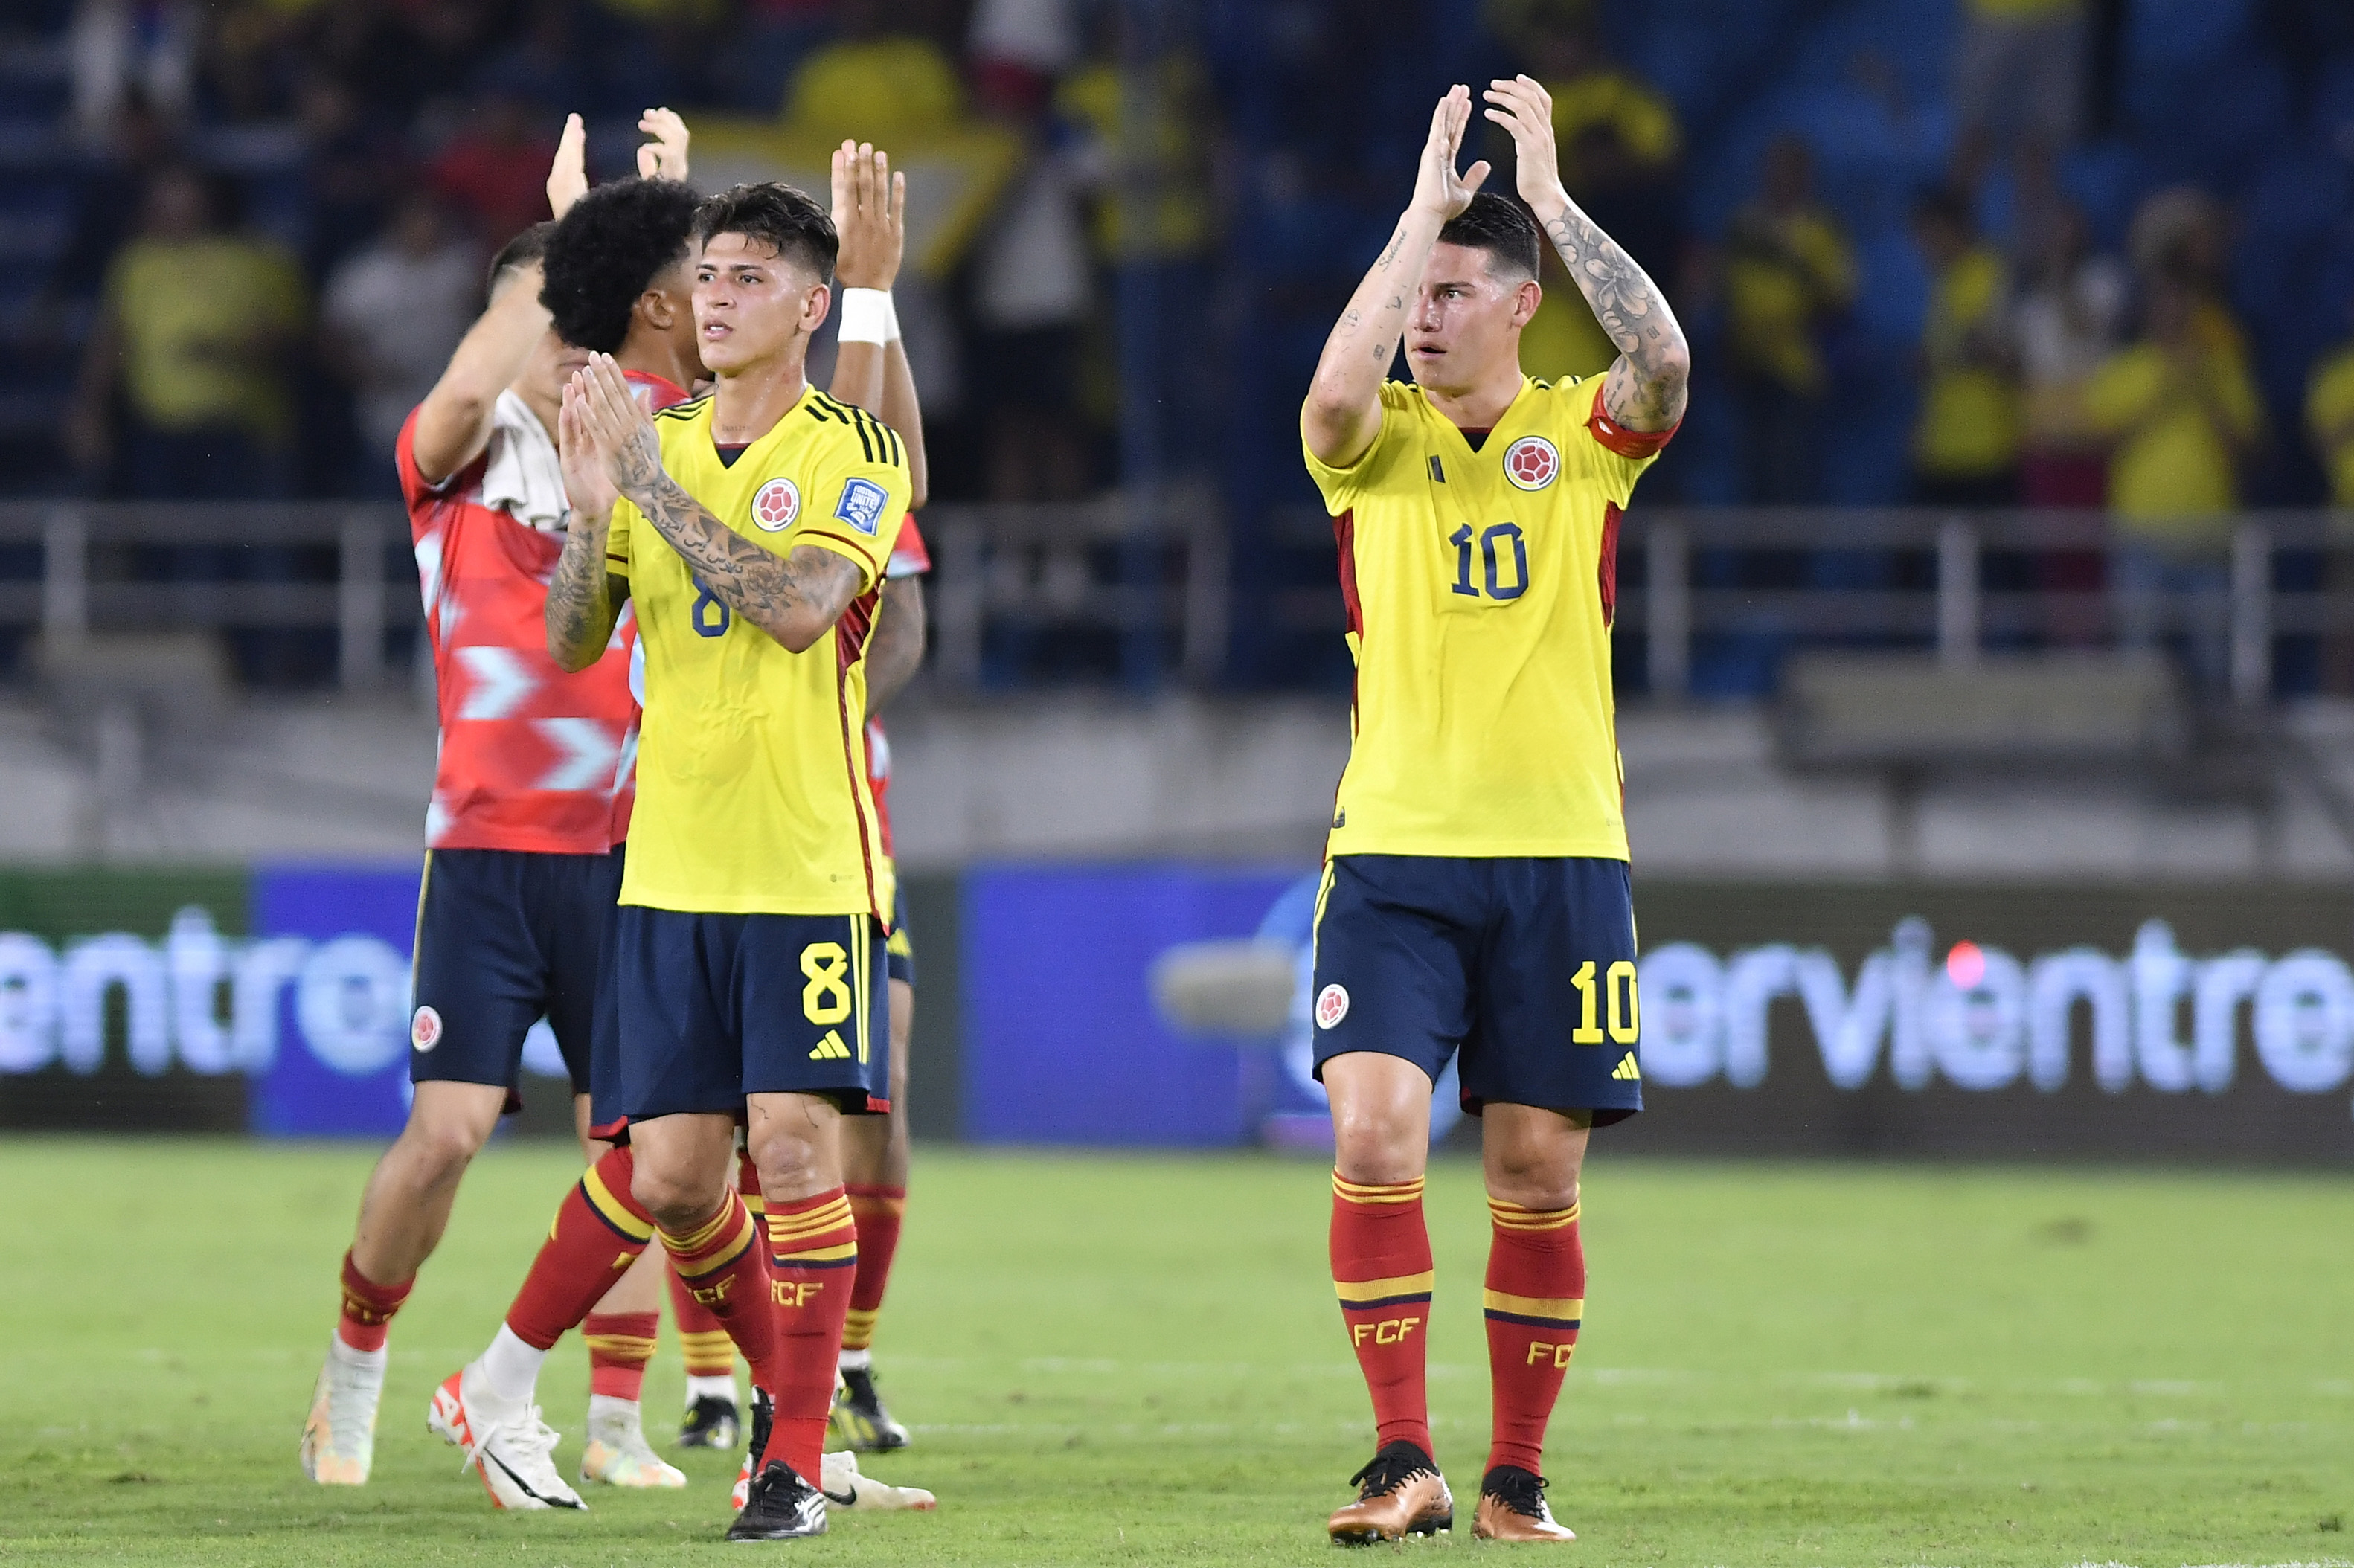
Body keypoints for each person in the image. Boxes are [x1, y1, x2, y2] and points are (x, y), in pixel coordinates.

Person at [1298, 79, 1685, 1545]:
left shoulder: (1581, 435)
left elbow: (1661, 362)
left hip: (1562, 855)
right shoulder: (1370, 441)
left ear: (1522, 306)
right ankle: (1401, 1456)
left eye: (1455, 291)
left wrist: (1556, 198)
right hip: (1392, 852)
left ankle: (1516, 1478)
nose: (1425, 314)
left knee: (1534, 1169)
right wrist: (1412, 223)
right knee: (1377, 1135)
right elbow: (1329, 399)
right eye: (1417, 292)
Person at [297, 113, 690, 1507]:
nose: (580, 350)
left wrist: (650, 226)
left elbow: (710, 352)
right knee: (450, 1131)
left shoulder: (641, 447)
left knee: (642, 1149)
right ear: (517, 324)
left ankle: (614, 1418)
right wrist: (574, 237)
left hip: (624, 854)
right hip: (482, 856)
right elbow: (477, 372)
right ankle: (353, 1369)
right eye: (559, 323)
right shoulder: (449, 461)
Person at [542, 170, 914, 1542]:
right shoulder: (660, 441)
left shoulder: (852, 450)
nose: (713, 297)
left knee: (799, 1148)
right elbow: (575, 637)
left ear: (812, 305)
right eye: (706, 276)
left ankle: (794, 1459)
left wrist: (653, 489)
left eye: (747, 276)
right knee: (681, 1180)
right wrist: (594, 513)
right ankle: (787, 1403)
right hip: (667, 871)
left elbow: (804, 607)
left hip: (804, 864)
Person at [2085, 268, 2263, 693]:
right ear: (2149, 313)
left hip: (2209, 535)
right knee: (2137, 657)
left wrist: (2202, 389)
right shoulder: (2124, 370)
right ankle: (2135, 752)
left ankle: (2224, 751)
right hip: (2141, 535)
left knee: (2216, 658)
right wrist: (2164, 394)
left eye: (2183, 305)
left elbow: (2247, 448)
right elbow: (2103, 447)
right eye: (2164, 304)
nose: (2174, 314)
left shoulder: (2222, 369)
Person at [1720, 137, 1854, 504]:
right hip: (1747, 369)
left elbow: (1839, 301)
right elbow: (1726, 292)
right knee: (1750, 483)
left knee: (1789, 481)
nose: (1778, 179)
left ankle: (1788, 562)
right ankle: (1757, 561)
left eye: (1788, 170)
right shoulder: (1743, 227)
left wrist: (1792, 261)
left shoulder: (1820, 230)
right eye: (1772, 169)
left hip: (1796, 372)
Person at [321, 194, 484, 492]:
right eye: (416, 220)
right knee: (388, 507)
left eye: (431, 220)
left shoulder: (464, 268)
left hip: (455, 415)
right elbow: (333, 339)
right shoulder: (366, 275)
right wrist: (366, 371)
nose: (425, 228)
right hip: (387, 414)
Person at [1909, 184, 2021, 505]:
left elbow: (1996, 349)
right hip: (1939, 446)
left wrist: (1953, 353)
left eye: (1928, 235)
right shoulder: (1943, 282)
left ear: (1953, 228)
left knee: (1989, 549)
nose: (1922, 246)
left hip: (1985, 445)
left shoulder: (1992, 272)